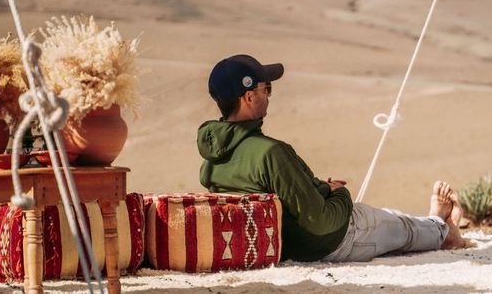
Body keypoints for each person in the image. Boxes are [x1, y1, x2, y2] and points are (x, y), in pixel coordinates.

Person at [197, 54, 466, 262]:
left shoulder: (211, 163)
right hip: (328, 244)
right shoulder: (270, 152)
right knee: (392, 224)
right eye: (266, 88)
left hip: (287, 247)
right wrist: (339, 194)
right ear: (248, 96)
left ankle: (435, 222)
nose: (269, 94)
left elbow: (280, 200)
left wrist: (321, 188)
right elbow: (320, 222)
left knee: (389, 218)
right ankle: (445, 234)